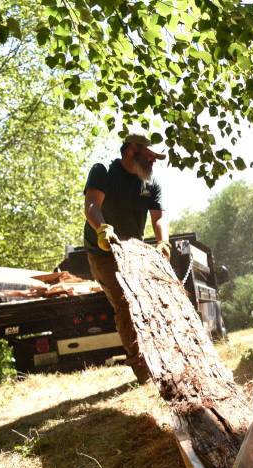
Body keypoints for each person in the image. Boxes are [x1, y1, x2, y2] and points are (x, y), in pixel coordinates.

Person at [82, 133, 170, 383]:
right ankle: (143, 372)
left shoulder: (150, 183)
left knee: (147, 303)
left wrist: (162, 242)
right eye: (151, 155)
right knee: (124, 304)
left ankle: (161, 359)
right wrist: (102, 229)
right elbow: (91, 206)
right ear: (132, 150)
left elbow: (158, 217)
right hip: (103, 251)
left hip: (133, 252)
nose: (154, 161)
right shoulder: (103, 172)